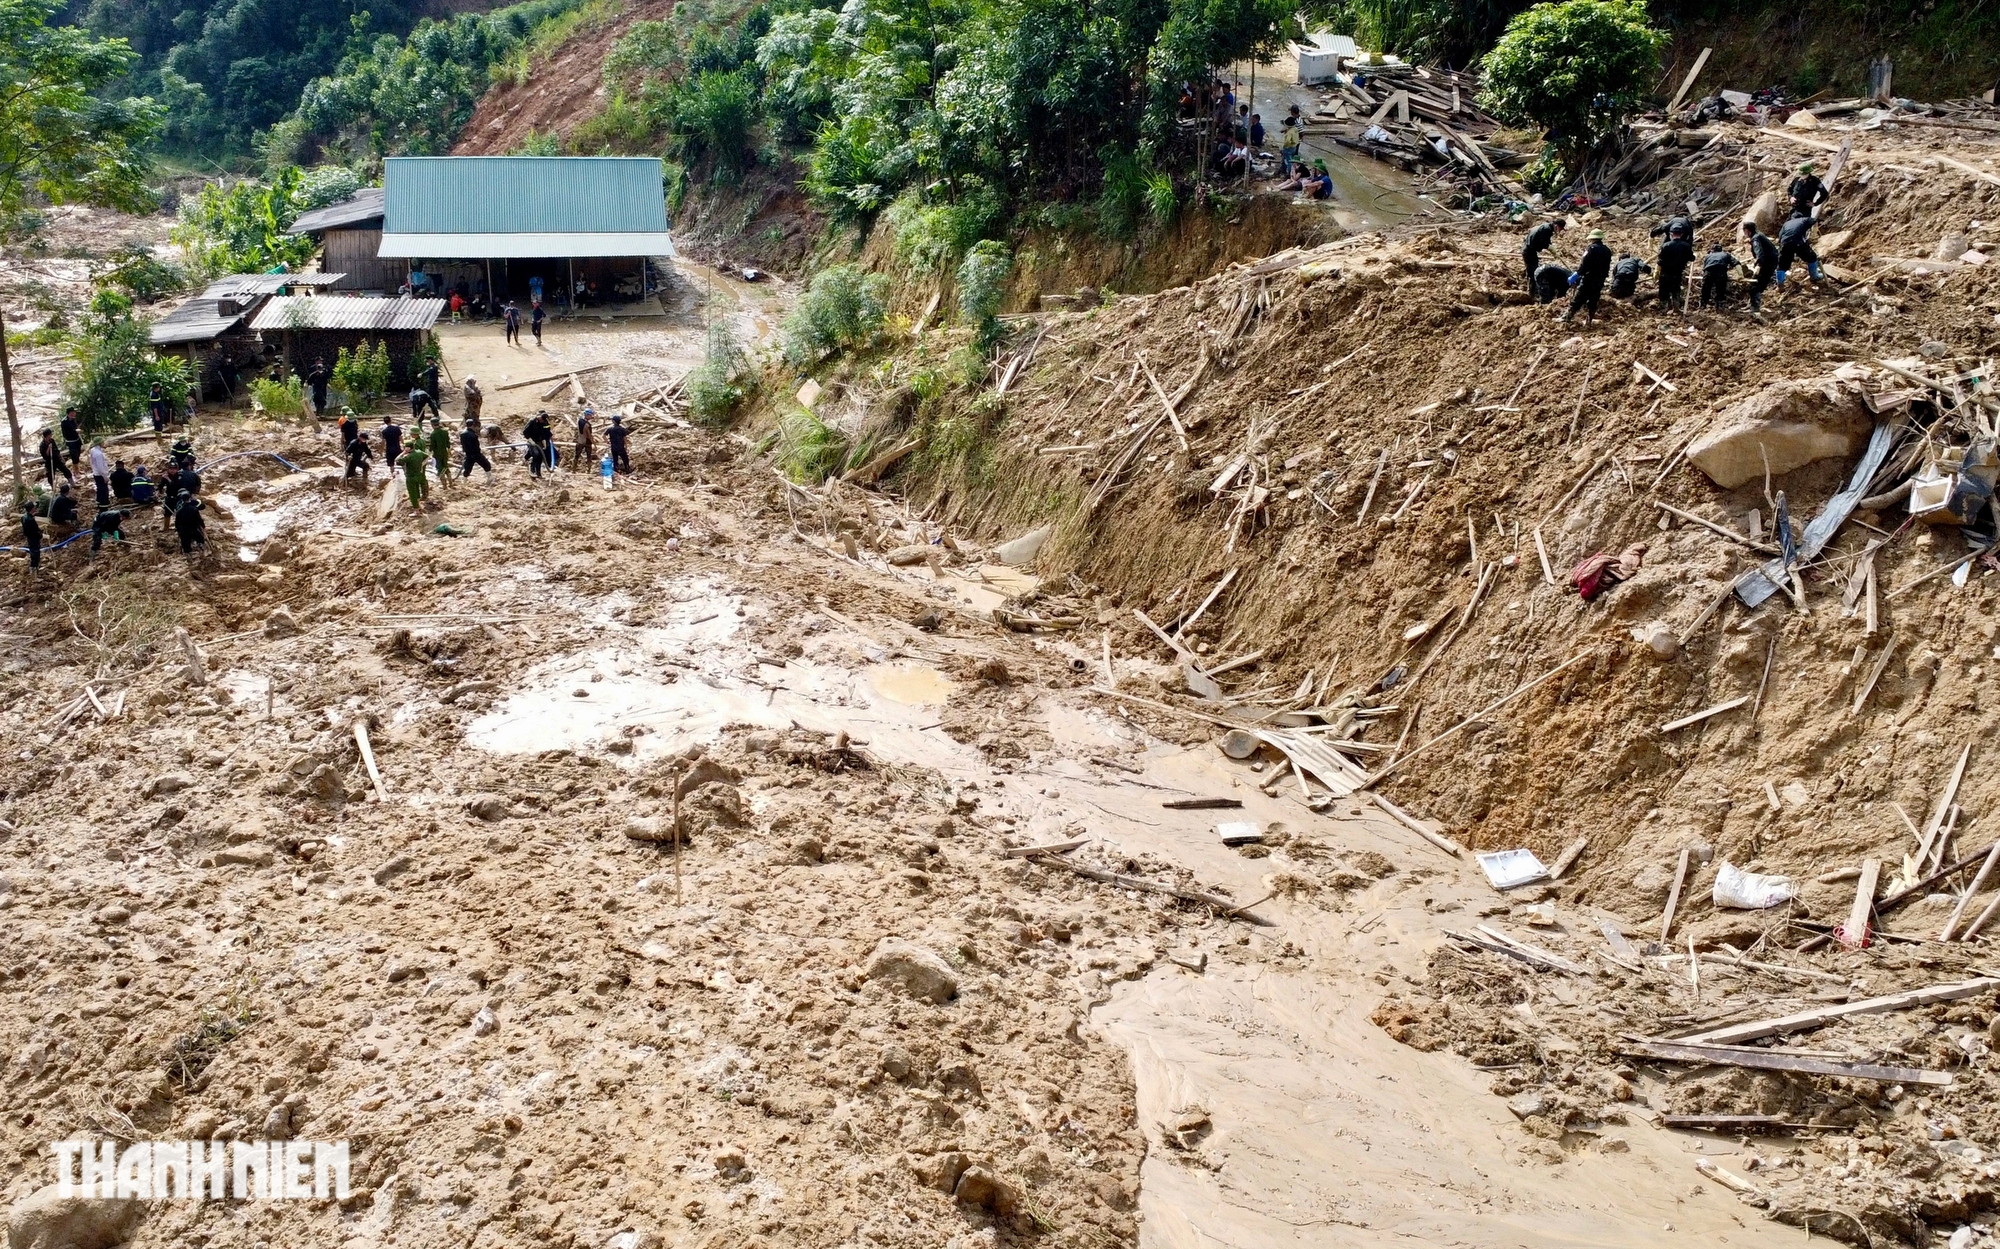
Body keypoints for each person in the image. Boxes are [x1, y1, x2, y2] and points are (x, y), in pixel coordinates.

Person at [1561, 228, 1613, 324]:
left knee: (1579, 297)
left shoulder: (1590, 249)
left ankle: (1567, 318)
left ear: (1592, 238)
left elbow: (1585, 265)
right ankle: (1589, 321)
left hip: (1589, 278)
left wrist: (1577, 274)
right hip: (1600, 279)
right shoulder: (1607, 250)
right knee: (1594, 299)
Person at [1776, 212, 1823, 287]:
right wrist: (1814, 234)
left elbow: (1780, 237)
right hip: (1798, 242)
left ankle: (1780, 283)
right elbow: (1814, 221)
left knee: (1782, 265)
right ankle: (1814, 277)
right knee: (1812, 258)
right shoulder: (1803, 219)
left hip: (1785, 243)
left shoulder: (1786, 224)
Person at [1742, 220, 1779, 312]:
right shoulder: (1759, 235)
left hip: (1767, 263)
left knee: (1755, 285)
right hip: (1770, 262)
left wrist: (1758, 265)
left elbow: (1760, 253)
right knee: (1755, 285)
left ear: (1747, 231)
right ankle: (1752, 304)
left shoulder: (1756, 239)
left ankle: (1755, 308)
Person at [1657, 225, 1696, 311]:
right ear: (1681, 234)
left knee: (1664, 290)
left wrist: (1658, 270)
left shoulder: (1665, 245)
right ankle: (1676, 307)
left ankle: (1664, 308)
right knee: (1676, 290)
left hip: (1665, 272)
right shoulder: (1686, 246)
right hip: (1678, 272)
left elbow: (1660, 260)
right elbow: (1691, 258)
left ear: (1671, 234)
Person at [1522, 218, 1565, 293]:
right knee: (1533, 271)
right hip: (1529, 251)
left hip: (1529, 250)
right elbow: (1545, 243)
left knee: (1532, 269)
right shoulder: (1547, 230)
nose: (1560, 231)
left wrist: (1553, 249)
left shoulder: (1546, 227)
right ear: (1556, 226)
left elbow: (1546, 241)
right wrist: (1551, 249)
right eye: (1560, 229)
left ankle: (1532, 289)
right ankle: (1531, 292)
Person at [1700, 243, 1740, 309]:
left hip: (1709, 273)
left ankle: (1703, 305)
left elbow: (1704, 268)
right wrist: (1740, 275)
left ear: (1712, 250)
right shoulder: (1726, 255)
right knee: (1721, 290)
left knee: (1705, 290)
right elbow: (1736, 263)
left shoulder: (1708, 256)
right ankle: (1720, 306)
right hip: (1721, 273)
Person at [171, 489, 205, 556]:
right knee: (200, 539)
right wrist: (203, 526)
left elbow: (177, 521)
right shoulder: (193, 507)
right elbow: (199, 518)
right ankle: (201, 550)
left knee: (185, 543)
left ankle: (188, 556)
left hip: (183, 529)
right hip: (193, 527)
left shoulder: (179, 507)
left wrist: (177, 529)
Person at [401, 442, 430, 511]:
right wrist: (422, 464)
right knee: (417, 489)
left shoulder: (408, 456)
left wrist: (403, 453)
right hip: (418, 475)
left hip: (411, 477)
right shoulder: (419, 452)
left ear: (408, 448)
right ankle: (419, 503)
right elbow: (428, 456)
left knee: (412, 493)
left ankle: (416, 510)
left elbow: (397, 460)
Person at [524, 411, 553, 479]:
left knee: (540, 456)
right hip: (532, 441)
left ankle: (538, 473)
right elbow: (525, 432)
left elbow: (542, 432)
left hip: (539, 441)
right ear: (540, 418)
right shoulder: (532, 421)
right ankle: (532, 471)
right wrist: (530, 440)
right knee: (536, 455)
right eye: (543, 420)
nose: (543, 422)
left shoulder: (542, 423)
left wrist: (544, 441)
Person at [428, 417, 453, 488]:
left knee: (440, 468)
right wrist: (449, 450)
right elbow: (448, 443)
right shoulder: (445, 432)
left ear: (432, 424)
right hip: (444, 452)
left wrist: (428, 452)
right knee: (446, 466)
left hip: (437, 454)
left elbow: (432, 445)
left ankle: (444, 485)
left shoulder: (433, 434)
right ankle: (450, 483)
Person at [19, 502, 40, 574]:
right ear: (32, 509)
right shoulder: (30, 520)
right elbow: (35, 530)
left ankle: (34, 568)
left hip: (29, 536)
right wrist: (40, 535)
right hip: (34, 537)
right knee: (35, 552)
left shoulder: (24, 517)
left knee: (33, 551)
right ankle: (34, 568)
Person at [607, 411, 630, 475]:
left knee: (615, 459)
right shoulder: (622, 429)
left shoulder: (610, 429)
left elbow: (603, 436)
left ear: (614, 421)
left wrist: (607, 441)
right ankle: (627, 469)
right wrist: (626, 445)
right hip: (621, 446)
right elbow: (625, 438)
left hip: (613, 447)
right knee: (625, 459)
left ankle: (616, 470)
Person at [87, 441, 109, 508]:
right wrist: (105, 476)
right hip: (100, 474)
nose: (104, 443)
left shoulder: (93, 450)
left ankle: (99, 500)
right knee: (103, 489)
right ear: (100, 443)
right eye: (103, 442)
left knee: (99, 488)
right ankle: (103, 503)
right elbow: (100, 467)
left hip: (96, 472)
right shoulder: (98, 454)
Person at [574, 407, 596, 471]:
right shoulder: (587, 425)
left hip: (580, 441)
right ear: (587, 415)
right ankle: (588, 470)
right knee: (589, 456)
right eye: (590, 415)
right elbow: (589, 435)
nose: (591, 417)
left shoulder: (579, 421)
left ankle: (573, 470)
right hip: (587, 442)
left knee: (576, 456)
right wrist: (594, 444)